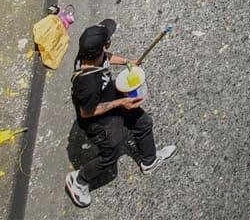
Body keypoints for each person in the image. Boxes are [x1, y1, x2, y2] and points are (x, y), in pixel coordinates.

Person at [65, 18, 175, 207]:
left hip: (111, 100)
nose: (110, 42)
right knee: (110, 156)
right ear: (102, 47)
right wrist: (122, 102)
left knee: (143, 122)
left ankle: (149, 160)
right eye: (108, 40)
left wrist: (127, 62)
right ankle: (79, 180)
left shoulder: (91, 55)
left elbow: (107, 57)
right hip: (100, 124)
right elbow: (86, 112)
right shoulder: (88, 83)